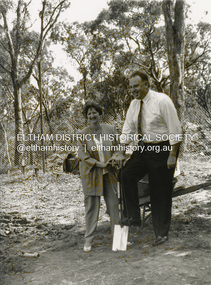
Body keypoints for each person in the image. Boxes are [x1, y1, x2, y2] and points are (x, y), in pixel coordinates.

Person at [112, 70, 182, 246]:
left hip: (162, 149)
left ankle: (161, 233)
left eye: (136, 86)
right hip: (143, 148)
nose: (133, 90)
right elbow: (127, 130)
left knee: (160, 191)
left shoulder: (162, 101)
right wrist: (121, 151)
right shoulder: (134, 104)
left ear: (146, 84)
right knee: (126, 174)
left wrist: (173, 155)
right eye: (131, 87)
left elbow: (175, 130)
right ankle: (133, 218)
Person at [78, 101, 120, 252]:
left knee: (114, 205)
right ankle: (88, 240)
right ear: (86, 117)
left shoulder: (110, 129)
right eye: (89, 113)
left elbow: (118, 148)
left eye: (94, 112)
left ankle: (118, 240)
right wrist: (98, 164)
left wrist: (114, 159)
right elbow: (82, 155)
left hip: (109, 174)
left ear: (100, 114)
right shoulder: (82, 134)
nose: (92, 115)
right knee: (92, 208)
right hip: (91, 174)